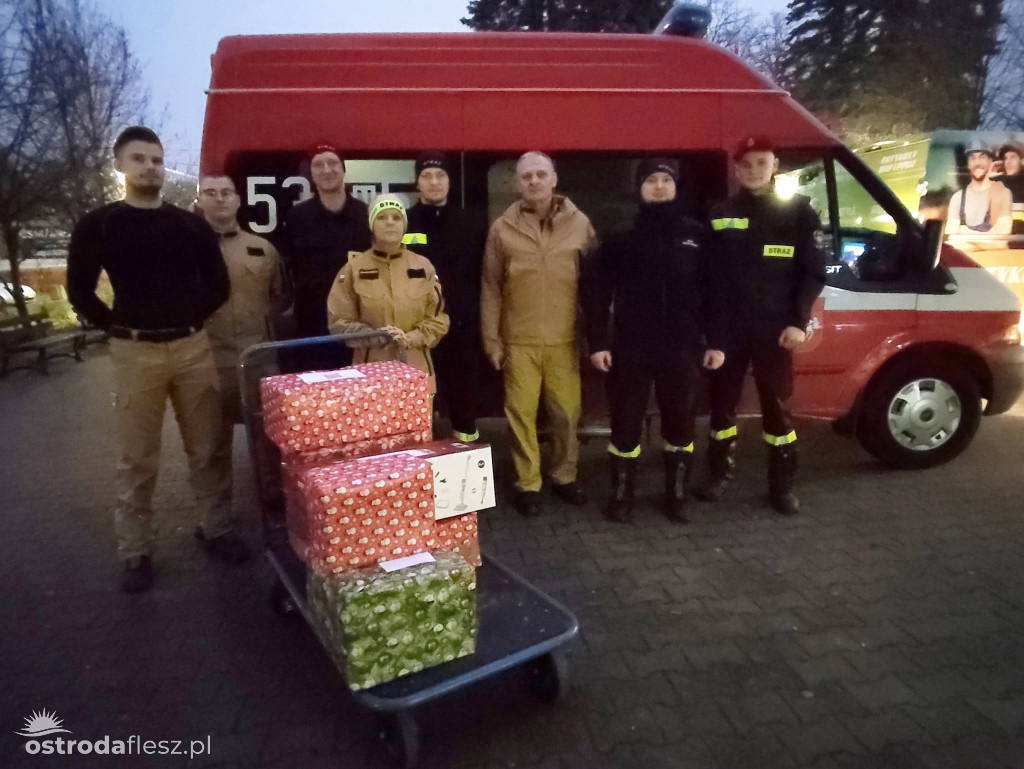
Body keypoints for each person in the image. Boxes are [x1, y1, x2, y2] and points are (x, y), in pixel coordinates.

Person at [66, 126, 240, 595]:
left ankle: (216, 528)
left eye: (157, 160)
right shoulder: (100, 225)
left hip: (192, 348)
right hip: (134, 351)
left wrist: (189, 319)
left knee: (207, 447)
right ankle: (136, 550)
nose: (150, 167)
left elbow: (218, 285)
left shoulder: (190, 226)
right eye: (139, 159)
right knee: (138, 457)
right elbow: (79, 289)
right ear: (120, 166)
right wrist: (117, 326)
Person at [583, 159, 726, 524]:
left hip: (683, 347)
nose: (659, 186)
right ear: (639, 188)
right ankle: (622, 493)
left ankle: (676, 494)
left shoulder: (697, 235)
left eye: (666, 180)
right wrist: (598, 342)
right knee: (625, 421)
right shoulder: (621, 235)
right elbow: (596, 291)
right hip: (630, 347)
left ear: (676, 186)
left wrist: (716, 342)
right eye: (651, 180)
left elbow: (715, 293)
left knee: (680, 422)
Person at [697, 136, 826, 516]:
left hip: (775, 331)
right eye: (746, 164)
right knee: (722, 407)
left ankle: (782, 485)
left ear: (774, 166)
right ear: (736, 169)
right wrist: (712, 334)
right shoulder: (719, 212)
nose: (753, 170)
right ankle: (719, 475)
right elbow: (708, 277)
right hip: (728, 332)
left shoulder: (799, 212)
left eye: (761, 163)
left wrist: (798, 321)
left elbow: (813, 271)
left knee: (777, 409)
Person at [480, 151, 597, 518]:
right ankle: (528, 482)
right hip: (519, 341)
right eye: (526, 176)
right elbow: (491, 287)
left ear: (554, 179)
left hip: (565, 340)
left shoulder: (580, 225)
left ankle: (564, 476)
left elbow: (595, 286)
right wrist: (492, 340)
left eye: (541, 174)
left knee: (567, 414)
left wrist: (594, 338)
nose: (534, 181)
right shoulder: (502, 228)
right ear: (517, 183)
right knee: (521, 415)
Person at [194, 173, 288, 527]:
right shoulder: (187, 249)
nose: (220, 199)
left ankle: (274, 504)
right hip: (206, 361)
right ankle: (216, 522)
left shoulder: (263, 249)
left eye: (226, 192)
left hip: (258, 359)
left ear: (237, 200)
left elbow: (280, 298)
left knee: (268, 438)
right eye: (211, 192)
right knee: (210, 446)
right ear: (200, 200)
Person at [405, 151, 488, 441]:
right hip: (418, 329)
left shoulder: (471, 223)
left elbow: (483, 275)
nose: (434, 182)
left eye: (440, 175)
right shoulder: (404, 223)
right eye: (427, 176)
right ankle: (419, 458)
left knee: (463, 400)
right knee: (418, 399)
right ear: (417, 183)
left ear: (450, 182)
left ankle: (465, 452)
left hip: (461, 329)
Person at [326, 195, 449, 386]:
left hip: (415, 373)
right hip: (369, 377)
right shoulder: (353, 269)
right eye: (382, 217)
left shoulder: (424, 267)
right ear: (372, 225)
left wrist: (411, 338)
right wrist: (374, 335)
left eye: (396, 217)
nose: (390, 222)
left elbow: (439, 319)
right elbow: (338, 323)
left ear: (404, 225)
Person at [282, 144, 372, 343]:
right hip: (312, 324)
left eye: (333, 163)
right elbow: (289, 269)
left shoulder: (365, 215)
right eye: (318, 165)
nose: (326, 170)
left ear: (343, 169)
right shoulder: (297, 218)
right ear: (311, 174)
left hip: (357, 324)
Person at [945, 144, 1013, 245]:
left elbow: (1001, 242)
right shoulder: (958, 197)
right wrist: (988, 241)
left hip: (992, 255)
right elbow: (951, 242)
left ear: (990, 161)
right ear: (968, 164)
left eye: (982, 157)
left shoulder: (1003, 193)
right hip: (964, 256)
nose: (977, 163)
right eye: (972, 158)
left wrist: (965, 233)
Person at [995, 143, 1024, 247]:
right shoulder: (997, 183)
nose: (1008, 161)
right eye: (1005, 158)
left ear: (1022, 161)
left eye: (1013, 157)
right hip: (999, 240)